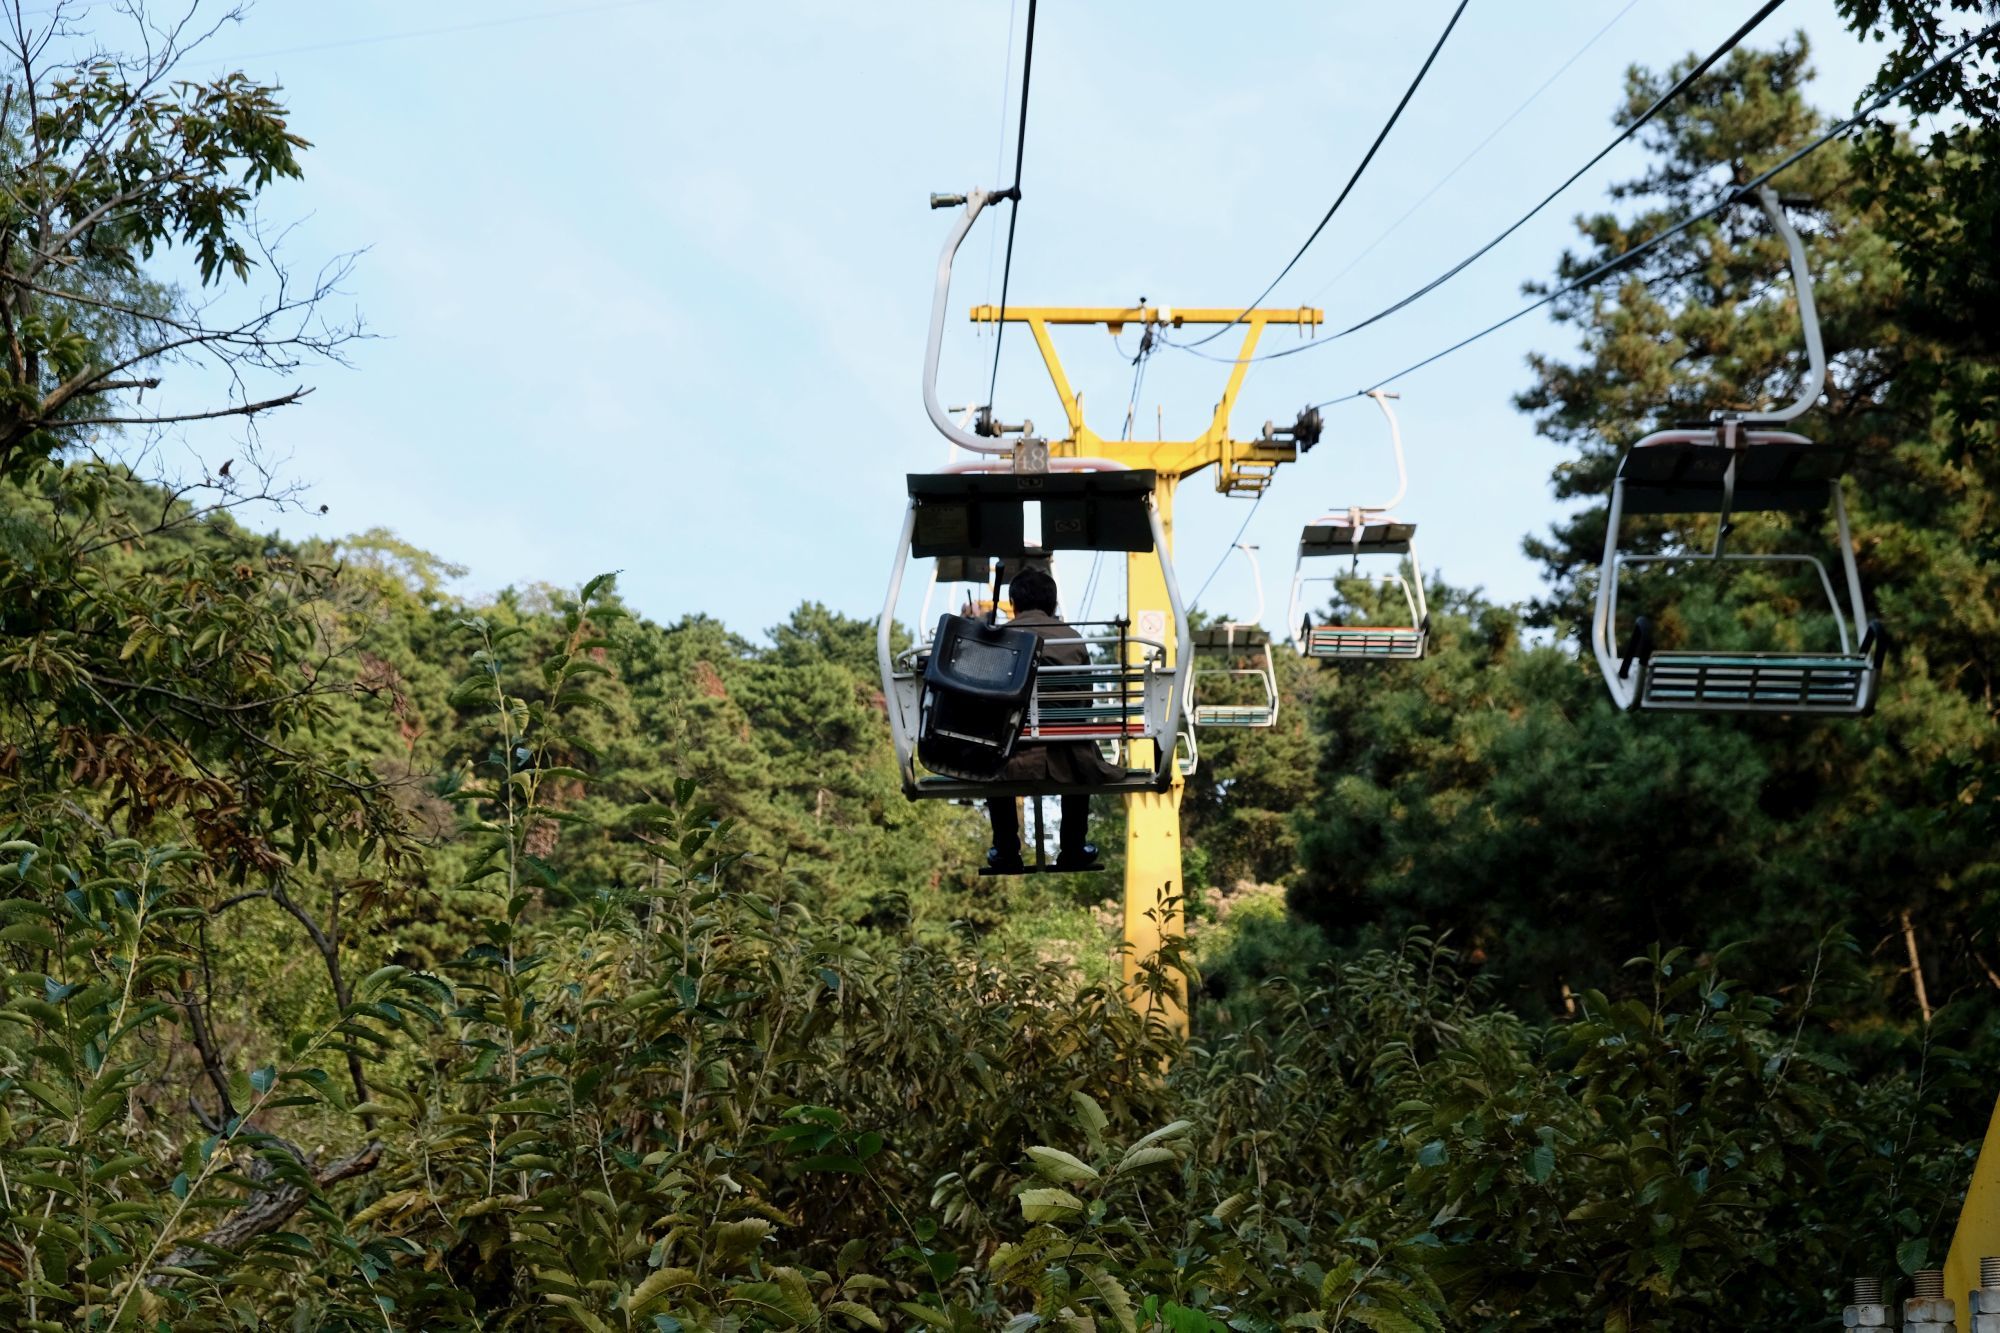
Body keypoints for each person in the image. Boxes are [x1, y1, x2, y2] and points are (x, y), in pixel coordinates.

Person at [987, 565, 1120, 872]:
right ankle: (1073, 846)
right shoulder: (1072, 640)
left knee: (992, 750)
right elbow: (1084, 702)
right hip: (1068, 752)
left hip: (1010, 752)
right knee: (1081, 743)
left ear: (1014, 604)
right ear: (1053, 604)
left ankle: (1006, 847)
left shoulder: (999, 639)